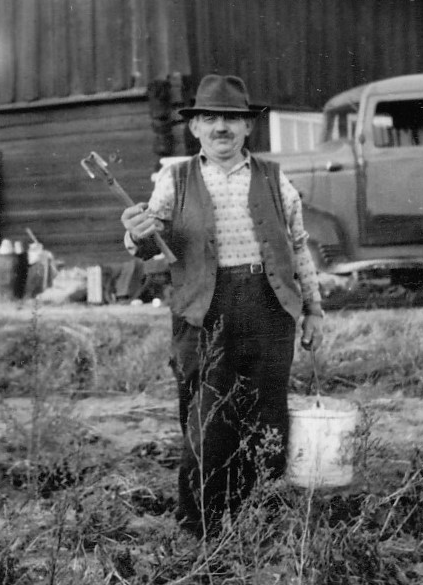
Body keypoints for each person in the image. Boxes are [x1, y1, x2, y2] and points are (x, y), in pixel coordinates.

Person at [122, 73, 324, 538]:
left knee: (267, 414)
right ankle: (202, 527)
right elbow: (151, 247)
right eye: (211, 118)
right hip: (202, 312)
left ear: (247, 128)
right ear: (194, 129)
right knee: (206, 417)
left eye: (232, 119)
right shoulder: (174, 182)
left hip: (268, 306)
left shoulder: (276, 181)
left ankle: (264, 519)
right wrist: (136, 232)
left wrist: (313, 309)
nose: (221, 128)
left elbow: (298, 247)